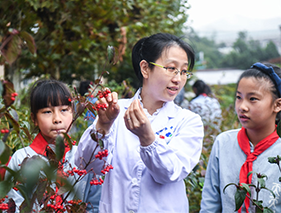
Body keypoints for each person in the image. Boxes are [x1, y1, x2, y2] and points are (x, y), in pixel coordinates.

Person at [75, 33, 204, 213]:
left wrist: (148, 139)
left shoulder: (188, 122)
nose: (178, 79)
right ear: (145, 68)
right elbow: (86, 165)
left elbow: (170, 172)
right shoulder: (115, 112)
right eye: (171, 68)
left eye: (183, 71)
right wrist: (102, 127)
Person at [5, 79, 100, 212]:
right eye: (47, 112)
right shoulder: (21, 159)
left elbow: (95, 205)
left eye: (64, 110)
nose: (57, 119)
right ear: (34, 119)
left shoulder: (84, 156)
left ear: (72, 112)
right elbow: (12, 205)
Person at [200, 62, 281, 212]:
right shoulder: (223, 143)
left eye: (252, 99)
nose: (242, 106)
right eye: (239, 97)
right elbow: (210, 202)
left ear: (277, 105)